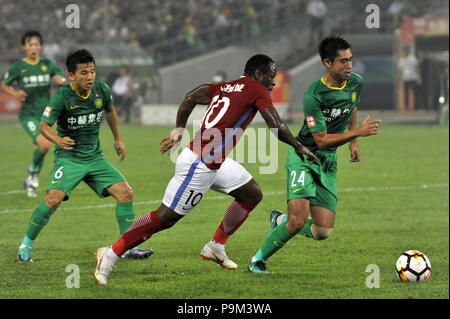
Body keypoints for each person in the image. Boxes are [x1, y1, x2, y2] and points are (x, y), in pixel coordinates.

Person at [94, 54, 319, 284]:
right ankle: (110, 254)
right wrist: (298, 146)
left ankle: (216, 246)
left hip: (213, 161)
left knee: (251, 194)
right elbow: (277, 125)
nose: (273, 82)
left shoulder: (224, 87)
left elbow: (190, 97)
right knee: (165, 217)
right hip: (199, 165)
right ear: (258, 74)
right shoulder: (256, 88)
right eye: (271, 77)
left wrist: (180, 128)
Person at [248, 35, 381, 274]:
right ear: (327, 63)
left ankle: (279, 222)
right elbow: (321, 139)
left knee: (322, 232)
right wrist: (357, 132)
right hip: (304, 157)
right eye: (343, 61)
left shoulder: (356, 82)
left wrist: (354, 140)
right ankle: (258, 260)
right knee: (298, 221)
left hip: (328, 162)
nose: (349, 65)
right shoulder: (314, 95)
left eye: (350, 60)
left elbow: (352, 105)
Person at [16, 49, 153, 263]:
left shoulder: (102, 90)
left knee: (126, 193)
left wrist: (117, 139)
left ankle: (127, 247)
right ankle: (25, 246)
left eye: (92, 71)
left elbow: (111, 112)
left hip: (95, 158)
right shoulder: (62, 96)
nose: (90, 77)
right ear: (71, 76)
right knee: (53, 200)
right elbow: (44, 126)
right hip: (69, 158)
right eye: (84, 73)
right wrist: (58, 140)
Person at [1, 30, 67, 197]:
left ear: (41, 47)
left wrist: (61, 80)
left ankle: (33, 174)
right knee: (45, 145)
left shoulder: (47, 64)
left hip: (45, 115)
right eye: (30, 44)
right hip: (28, 115)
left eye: (37, 44)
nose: (34, 47)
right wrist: (15, 94)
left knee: (42, 148)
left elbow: (59, 77)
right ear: (24, 47)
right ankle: (32, 171)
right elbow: (5, 85)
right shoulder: (18, 67)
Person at [398, 45, 421, 111]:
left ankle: (417, 107)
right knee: (406, 94)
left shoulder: (413, 59)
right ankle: (406, 108)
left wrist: (419, 78)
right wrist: (399, 80)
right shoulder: (401, 61)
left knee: (415, 94)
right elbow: (400, 71)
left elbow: (417, 69)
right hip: (406, 79)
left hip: (413, 78)